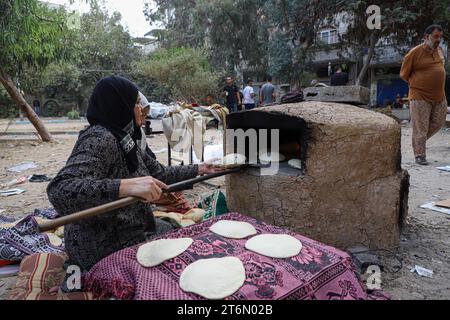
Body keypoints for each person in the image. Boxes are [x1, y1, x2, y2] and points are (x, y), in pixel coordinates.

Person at [47, 76, 221, 279]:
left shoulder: (126, 139)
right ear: (119, 105)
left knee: (179, 233)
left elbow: (159, 174)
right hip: (103, 243)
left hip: (130, 228)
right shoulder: (100, 138)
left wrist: (200, 168)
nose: (141, 109)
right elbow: (60, 189)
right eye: (136, 103)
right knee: (188, 260)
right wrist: (124, 186)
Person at [400, 24, 447, 165]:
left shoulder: (440, 51)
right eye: (436, 37)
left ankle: (417, 141)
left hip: (439, 95)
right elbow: (403, 74)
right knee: (421, 127)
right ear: (427, 37)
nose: (439, 39)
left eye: (440, 37)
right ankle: (420, 155)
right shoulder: (414, 53)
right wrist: (418, 84)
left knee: (439, 122)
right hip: (419, 96)